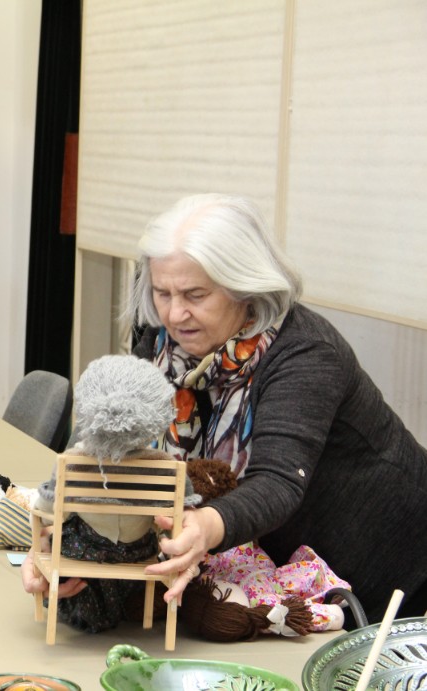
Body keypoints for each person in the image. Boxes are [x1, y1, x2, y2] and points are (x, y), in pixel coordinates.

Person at [128, 193, 427, 626]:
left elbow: (279, 481)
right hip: (276, 571)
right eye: (162, 293)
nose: (175, 314)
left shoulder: (305, 352)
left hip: (387, 572)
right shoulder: (160, 345)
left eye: (195, 294)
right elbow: (121, 447)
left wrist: (206, 525)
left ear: (244, 288)